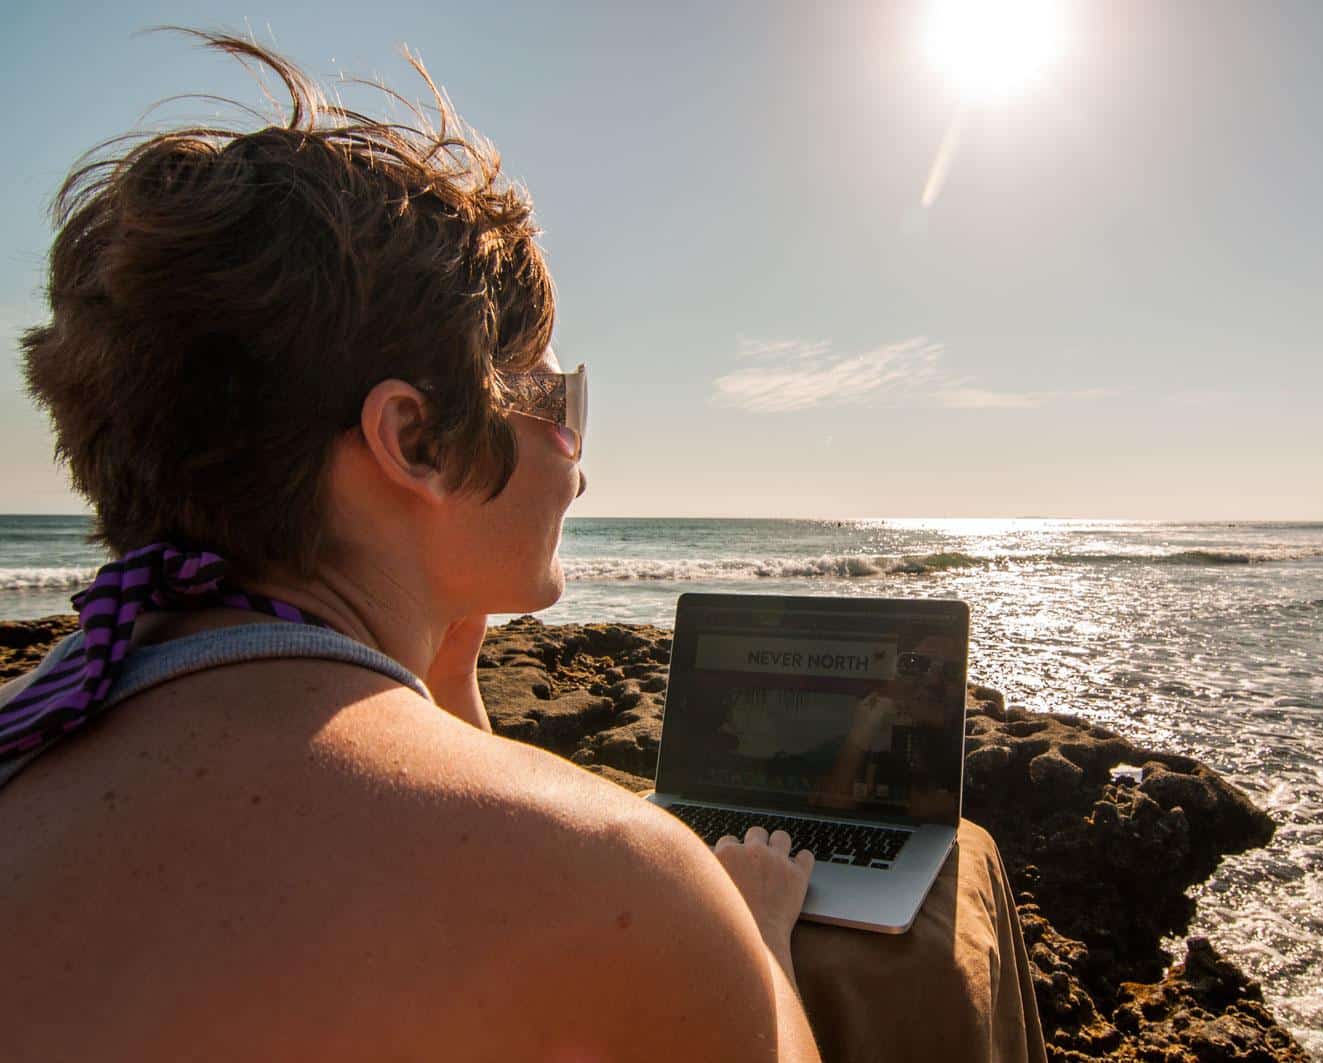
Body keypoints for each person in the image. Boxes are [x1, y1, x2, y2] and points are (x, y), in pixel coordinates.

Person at [1, 32, 1044, 1062]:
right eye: (557, 403)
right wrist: (758, 932)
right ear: (417, 441)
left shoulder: (42, 727)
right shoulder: (623, 881)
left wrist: (443, 663)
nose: (578, 472)